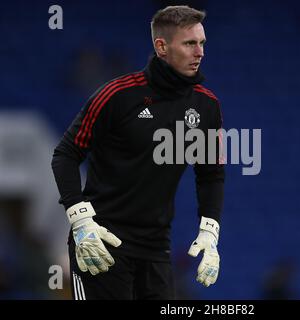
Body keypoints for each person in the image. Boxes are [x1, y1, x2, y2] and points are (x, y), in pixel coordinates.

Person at [51, 5, 224, 300]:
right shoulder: (116, 96)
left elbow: (211, 174)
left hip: (157, 249)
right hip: (100, 242)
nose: (200, 52)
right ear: (162, 47)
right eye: (190, 43)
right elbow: (65, 155)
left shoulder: (206, 106)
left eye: (202, 43)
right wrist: (80, 220)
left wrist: (210, 231)